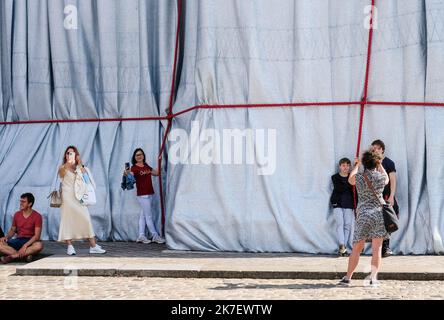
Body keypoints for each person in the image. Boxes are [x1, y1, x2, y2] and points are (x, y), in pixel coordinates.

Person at [338, 149, 390, 286]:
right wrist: (380, 164)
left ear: (365, 163)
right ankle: (373, 279)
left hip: (363, 215)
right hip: (378, 214)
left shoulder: (360, 178)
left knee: (356, 248)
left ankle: (348, 277)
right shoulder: (380, 177)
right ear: (377, 163)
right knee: (376, 249)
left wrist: (357, 165)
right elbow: (387, 178)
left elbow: (350, 179)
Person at [58, 146, 106, 255]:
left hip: (79, 197)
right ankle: (70, 246)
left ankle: (93, 246)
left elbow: (87, 180)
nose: (70, 155)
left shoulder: (79, 167)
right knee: (67, 221)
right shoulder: (62, 168)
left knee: (86, 219)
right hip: (67, 197)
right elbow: (60, 176)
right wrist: (68, 163)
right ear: (65, 155)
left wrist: (80, 164)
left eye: (72, 153)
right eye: (68, 153)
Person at [124, 148, 165, 244]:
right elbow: (129, 174)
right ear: (134, 157)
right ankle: (155, 236)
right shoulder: (134, 168)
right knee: (148, 216)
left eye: (141, 154)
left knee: (143, 216)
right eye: (137, 155)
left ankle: (141, 235)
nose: (139, 156)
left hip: (149, 193)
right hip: (143, 195)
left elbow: (156, 173)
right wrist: (126, 173)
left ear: (143, 155)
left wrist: (160, 161)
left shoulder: (146, 166)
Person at [371, 139, 398, 257]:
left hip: (386, 196)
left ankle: (386, 247)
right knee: (376, 221)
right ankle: (378, 248)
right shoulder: (370, 162)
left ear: (382, 149)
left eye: (377, 148)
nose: (375, 150)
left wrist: (391, 196)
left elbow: (393, 180)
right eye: (373, 149)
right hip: (374, 197)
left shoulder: (389, 163)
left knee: (388, 220)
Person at [0, 193, 43, 264]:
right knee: (1, 244)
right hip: (18, 240)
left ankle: (13, 256)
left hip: (30, 241)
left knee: (39, 245)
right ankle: (24, 256)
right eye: (20, 201)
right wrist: (6, 237)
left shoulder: (37, 216)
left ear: (30, 204)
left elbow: (37, 236)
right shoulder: (17, 214)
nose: (20, 203)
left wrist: (25, 246)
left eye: (23, 202)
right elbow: (12, 230)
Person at [330, 158, 355, 256]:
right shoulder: (335, 177)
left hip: (349, 203)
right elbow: (341, 188)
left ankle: (343, 247)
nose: (345, 167)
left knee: (347, 225)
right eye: (343, 165)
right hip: (338, 203)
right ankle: (342, 245)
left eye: (348, 165)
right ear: (339, 166)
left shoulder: (352, 177)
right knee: (340, 224)